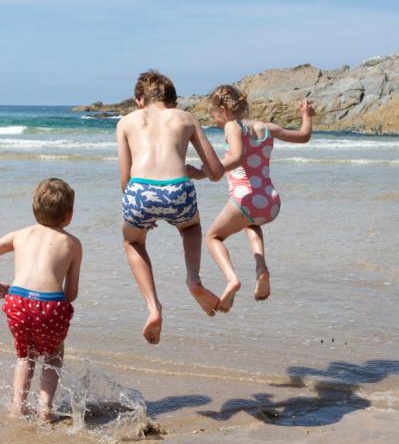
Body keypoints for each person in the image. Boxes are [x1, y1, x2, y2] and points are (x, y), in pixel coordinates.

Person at [116, 70, 225, 345]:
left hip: (140, 191)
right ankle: (193, 279)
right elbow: (215, 172)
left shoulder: (127, 122)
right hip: (179, 188)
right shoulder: (186, 118)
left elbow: (124, 179)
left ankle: (153, 307)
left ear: (139, 99)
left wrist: (140, 213)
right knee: (190, 227)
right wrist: (195, 173)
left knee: (133, 243)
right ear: (173, 101)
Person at [188, 85, 314, 312]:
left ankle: (231, 279)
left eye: (214, 116)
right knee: (251, 224)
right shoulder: (267, 127)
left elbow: (236, 158)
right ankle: (261, 268)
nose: (216, 122)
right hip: (269, 201)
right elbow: (304, 136)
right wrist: (306, 116)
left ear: (224, 110)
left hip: (244, 198)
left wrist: (203, 171)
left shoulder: (232, 126)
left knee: (213, 237)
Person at [0, 178, 81, 423]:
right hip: (51, 304)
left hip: (17, 301)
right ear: (69, 215)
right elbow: (71, 294)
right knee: (53, 355)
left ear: (34, 209)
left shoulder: (19, 235)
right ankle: (45, 410)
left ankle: (18, 406)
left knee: (25, 356)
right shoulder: (73, 243)